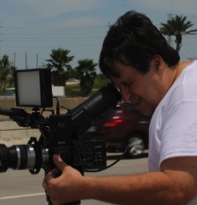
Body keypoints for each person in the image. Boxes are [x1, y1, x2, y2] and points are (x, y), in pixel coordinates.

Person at [43, 10, 197, 205]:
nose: (125, 96)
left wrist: (82, 187)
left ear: (157, 64)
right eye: (119, 87)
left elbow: (178, 188)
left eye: (129, 83)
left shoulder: (186, 97)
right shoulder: (181, 91)